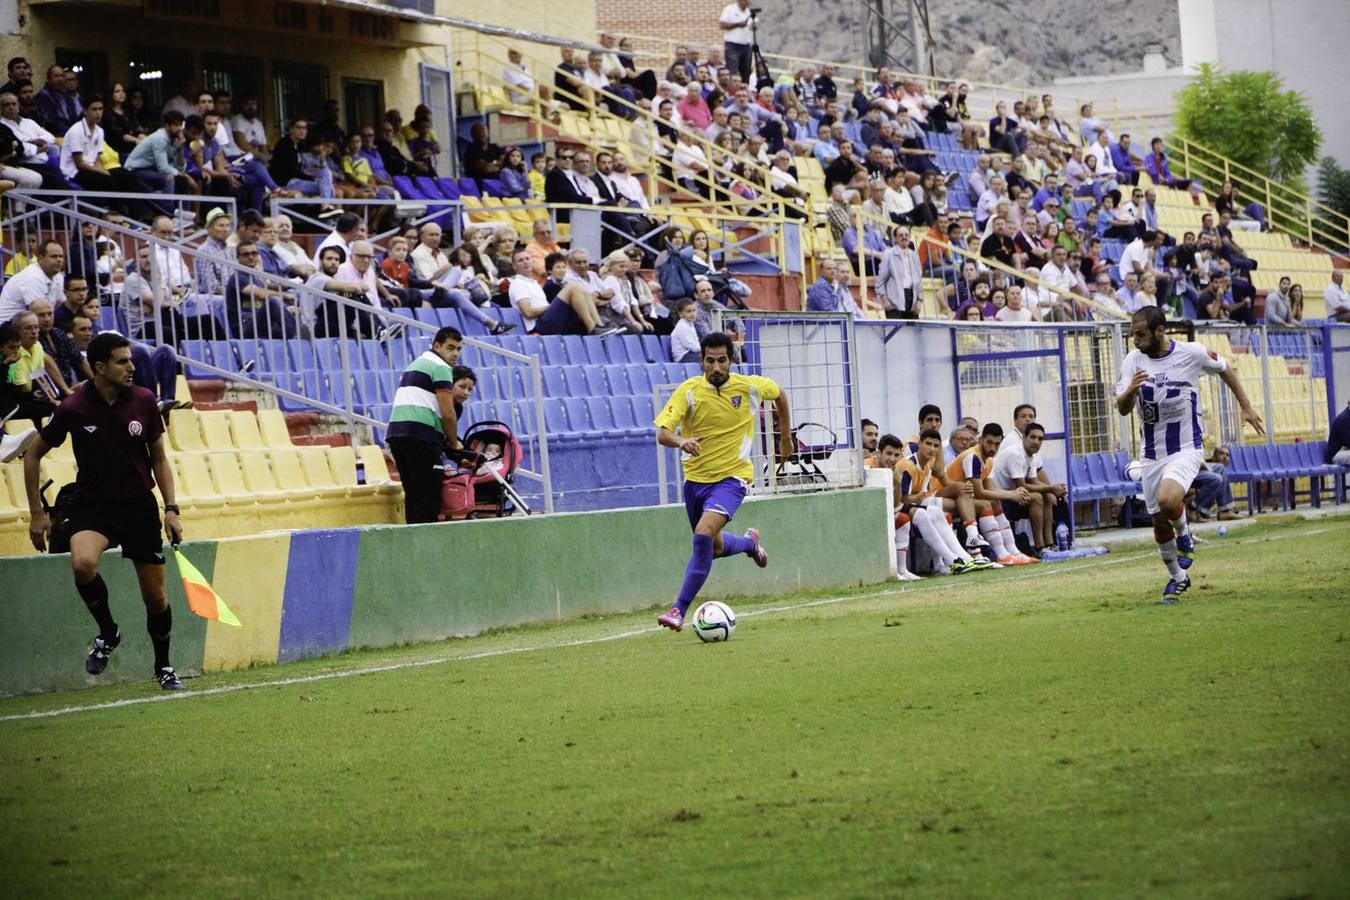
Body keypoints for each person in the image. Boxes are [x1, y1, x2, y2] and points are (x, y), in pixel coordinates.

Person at [23, 333, 186, 690]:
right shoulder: (73, 408)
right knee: (82, 564)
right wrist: (37, 513)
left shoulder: (143, 400)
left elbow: (159, 458)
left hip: (138, 506)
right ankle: (108, 632)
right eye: (123, 361)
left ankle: (164, 667)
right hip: (93, 505)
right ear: (100, 367)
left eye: (130, 360)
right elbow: (33, 454)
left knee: (156, 597)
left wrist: (171, 509)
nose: (131, 367)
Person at [1114, 307, 1264, 603]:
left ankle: (1184, 533)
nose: (1135, 339)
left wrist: (1245, 407)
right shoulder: (1133, 360)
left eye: (1140, 333)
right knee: (1157, 520)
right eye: (1132, 333)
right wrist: (1130, 390)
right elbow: (1121, 408)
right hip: (1151, 452)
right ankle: (1177, 578)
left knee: (1168, 501)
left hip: (1185, 447)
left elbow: (1225, 368)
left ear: (1160, 331)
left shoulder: (1191, 353)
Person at [653, 332, 790, 632]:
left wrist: (785, 438)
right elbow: (662, 432)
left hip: (733, 478)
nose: (716, 367)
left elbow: (779, 393)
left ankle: (678, 609)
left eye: (722, 361)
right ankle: (749, 544)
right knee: (712, 547)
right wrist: (681, 441)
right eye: (710, 361)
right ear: (701, 361)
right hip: (696, 483)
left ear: (731, 361)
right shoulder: (688, 391)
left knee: (702, 534)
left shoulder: (749, 386)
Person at [386, 328, 470, 525]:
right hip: (421, 437)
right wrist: (455, 444)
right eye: (450, 347)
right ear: (437, 346)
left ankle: (414, 548)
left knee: (414, 497)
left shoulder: (416, 364)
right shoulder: (440, 366)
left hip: (398, 436)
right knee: (429, 499)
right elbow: (448, 414)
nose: (455, 353)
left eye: (458, 349)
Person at [888, 431, 994, 578]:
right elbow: (904, 499)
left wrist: (921, 497)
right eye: (928, 444)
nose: (931, 449)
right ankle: (954, 560)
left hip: (911, 504)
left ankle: (965, 558)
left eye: (936, 446)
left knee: (937, 512)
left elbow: (922, 495)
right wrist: (919, 497)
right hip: (895, 507)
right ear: (919, 444)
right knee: (924, 514)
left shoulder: (926, 465)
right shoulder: (907, 465)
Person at [945, 423, 1036, 566]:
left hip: (962, 499)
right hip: (945, 499)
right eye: (989, 442)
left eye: (997, 444)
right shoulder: (972, 457)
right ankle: (999, 553)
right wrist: (1011, 495)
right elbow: (979, 492)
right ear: (981, 439)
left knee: (995, 501)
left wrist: (1013, 493)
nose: (992, 448)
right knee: (985, 503)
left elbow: (990, 489)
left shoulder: (988, 459)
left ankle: (1012, 551)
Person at [991, 421, 1067, 556]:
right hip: (1000, 497)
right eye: (1033, 437)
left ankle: (1050, 544)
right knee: (1037, 498)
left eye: (1040, 439)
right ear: (1024, 438)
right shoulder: (1016, 453)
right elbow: (1022, 486)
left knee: (1048, 497)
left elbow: (1033, 480)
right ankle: (1039, 547)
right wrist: (1051, 488)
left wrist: (1052, 490)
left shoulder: (1032, 455)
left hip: (1014, 494)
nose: (1036, 442)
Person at [670, 298, 700, 362]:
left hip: (692, 354)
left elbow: (696, 342)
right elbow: (689, 345)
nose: (692, 314)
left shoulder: (690, 324)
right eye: (689, 311)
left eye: (694, 311)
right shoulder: (682, 326)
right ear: (680, 314)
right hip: (683, 357)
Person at [1326, 399, 1350, 467]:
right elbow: (1348, 441)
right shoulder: (1344, 419)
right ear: (1349, 403)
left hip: (1344, 451)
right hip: (1335, 455)